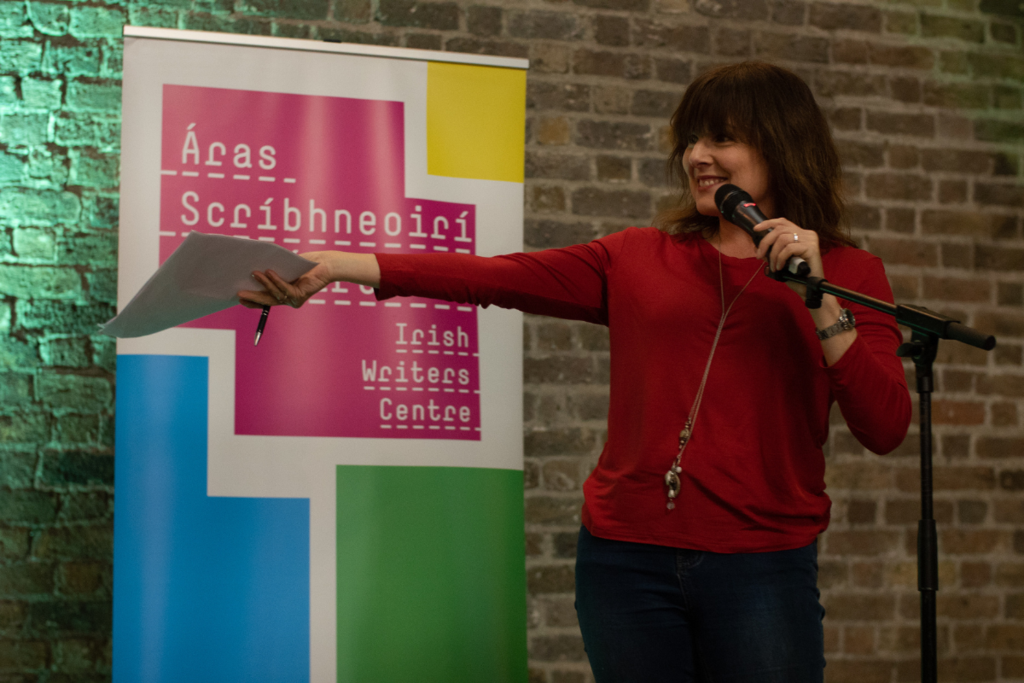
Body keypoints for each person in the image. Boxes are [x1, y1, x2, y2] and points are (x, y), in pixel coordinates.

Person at [239, 61, 912, 683]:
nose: (698, 156)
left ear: (783, 145)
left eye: (723, 139)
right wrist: (333, 264)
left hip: (761, 565)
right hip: (625, 561)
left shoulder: (850, 275)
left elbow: (884, 425)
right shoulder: (639, 258)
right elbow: (495, 276)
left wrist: (818, 298)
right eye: (691, 140)